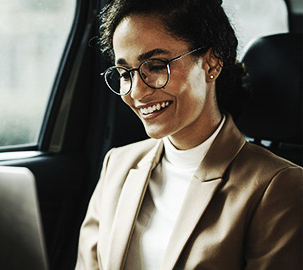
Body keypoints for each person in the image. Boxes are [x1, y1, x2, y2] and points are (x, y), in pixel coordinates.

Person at [75, 0, 302, 269]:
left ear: (212, 63)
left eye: (157, 66)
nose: (136, 92)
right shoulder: (118, 165)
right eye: (125, 73)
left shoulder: (278, 187)